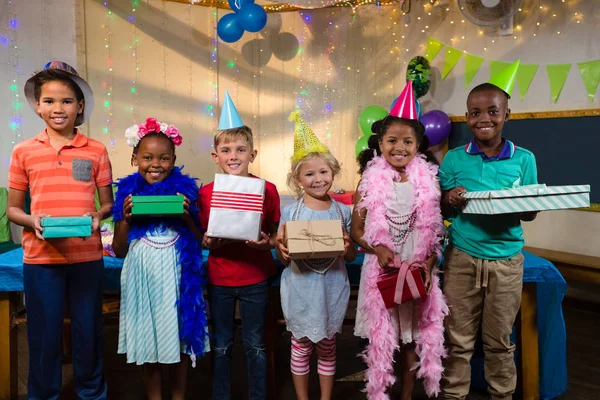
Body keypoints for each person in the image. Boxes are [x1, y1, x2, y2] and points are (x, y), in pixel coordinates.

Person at [6, 61, 113, 399]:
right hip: (41, 259)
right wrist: (32, 221)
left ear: (80, 106)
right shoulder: (23, 151)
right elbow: (13, 209)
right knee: (44, 334)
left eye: (67, 101)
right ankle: (42, 394)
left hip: (86, 257)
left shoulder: (96, 150)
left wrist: (98, 216)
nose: (58, 108)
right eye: (49, 101)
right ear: (37, 106)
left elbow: (107, 204)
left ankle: (92, 392)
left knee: (88, 332)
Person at [440, 74, 538, 400]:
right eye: (475, 112)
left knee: (499, 342)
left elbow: (531, 212)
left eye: (493, 112)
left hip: (507, 261)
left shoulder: (524, 159)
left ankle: (502, 395)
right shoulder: (454, 158)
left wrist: (521, 203)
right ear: (467, 117)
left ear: (507, 115)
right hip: (462, 259)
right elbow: (439, 208)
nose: (484, 119)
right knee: (458, 341)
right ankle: (454, 395)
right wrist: (449, 199)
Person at [350, 81, 448, 400]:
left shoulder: (428, 181)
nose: (399, 148)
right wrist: (376, 248)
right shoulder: (369, 180)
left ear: (418, 145)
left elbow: (434, 231)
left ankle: (406, 394)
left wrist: (429, 263)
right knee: (382, 334)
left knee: (411, 334)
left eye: (408, 141)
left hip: (417, 262)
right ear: (380, 142)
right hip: (383, 265)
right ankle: (380, 391)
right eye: (392, 140)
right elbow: (357, 230)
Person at [112, 118, 209, 400]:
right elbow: (119, 249)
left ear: (174, 160)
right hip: (142, 272)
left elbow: (200, 239)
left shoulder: (186, 193)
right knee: (148, 343)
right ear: (134, 159)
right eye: (148, 157)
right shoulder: (127, 193)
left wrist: (187, 216)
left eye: (164, 158)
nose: (156, 164)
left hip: (177, 271)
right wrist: (127, 218)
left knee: (178, 340)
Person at [198, 92, 280, 400]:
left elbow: (274, 235)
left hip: (256, 278)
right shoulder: (205, 194)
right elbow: (200, 235)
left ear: (253, 154)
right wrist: (205, 241)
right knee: (220, 345)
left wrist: (265, 245)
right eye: (226, 149)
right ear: (215, 156)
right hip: (219, 277)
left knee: (256, 344)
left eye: (241, 149)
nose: (234, 155)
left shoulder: (267, 190)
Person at [275, 111, 356, 400]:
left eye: (323, 172)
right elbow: (284, 258)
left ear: (333, 173)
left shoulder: (343, 212)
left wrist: (348, 246)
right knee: (300, 344)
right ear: (298, 179)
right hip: (300, 289)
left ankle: (325, 397)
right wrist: (279, 246)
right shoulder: (290, 213)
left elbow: (350, 256)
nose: (318, 179)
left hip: (331, 288)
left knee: (328, 345)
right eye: (309, 174)